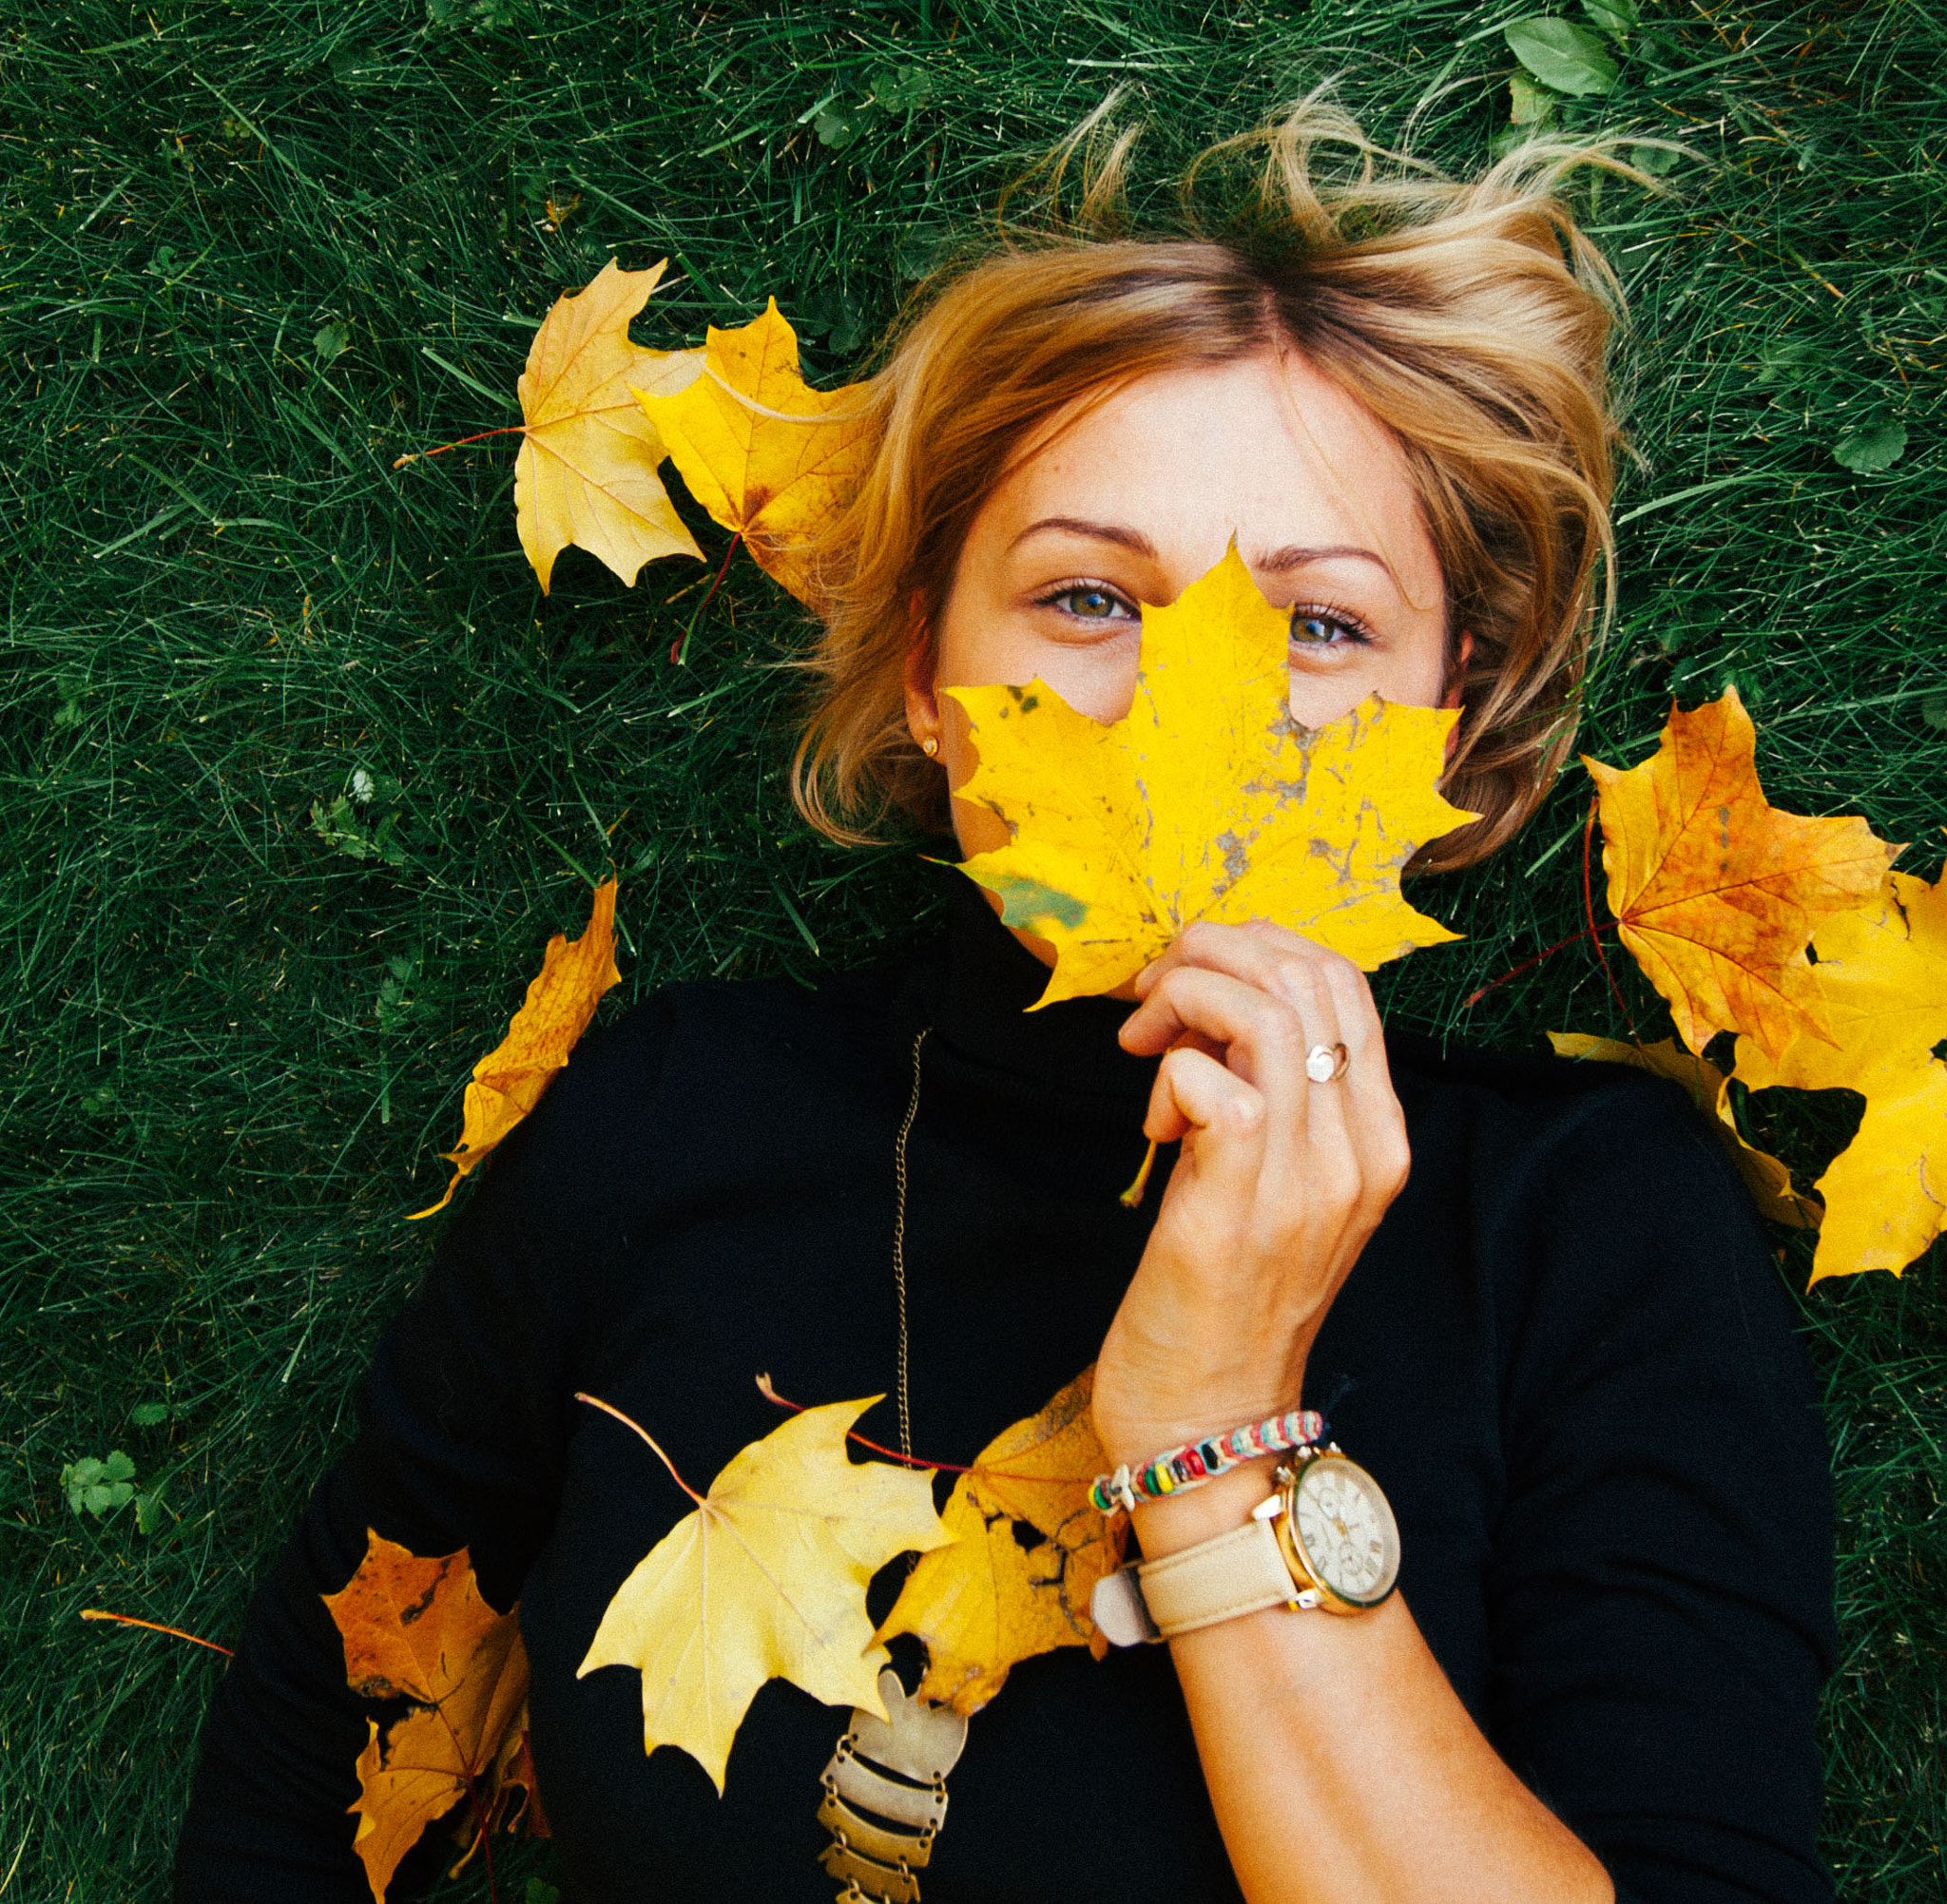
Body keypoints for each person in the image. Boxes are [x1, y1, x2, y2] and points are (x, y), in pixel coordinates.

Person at [174, 99, 1836, 1903]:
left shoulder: (1592, 1230)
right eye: (1085, 595)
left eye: (1325, 627)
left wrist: (1217, 1448)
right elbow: (327, 1726)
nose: (1187, 705)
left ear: (1463, 720)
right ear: (926, 679)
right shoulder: (678, 1125)